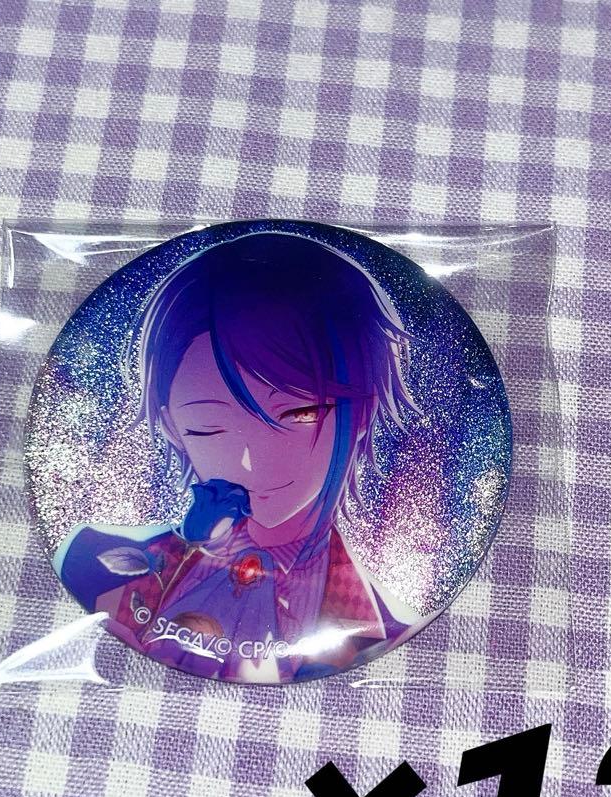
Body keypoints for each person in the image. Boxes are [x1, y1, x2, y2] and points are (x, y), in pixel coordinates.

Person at [54, 230, 422, 683]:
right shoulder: (95, 568)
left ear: (362, 411)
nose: (250, 462)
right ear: (172, 427)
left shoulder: (371, 634)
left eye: (297, 413)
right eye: (208, 426)